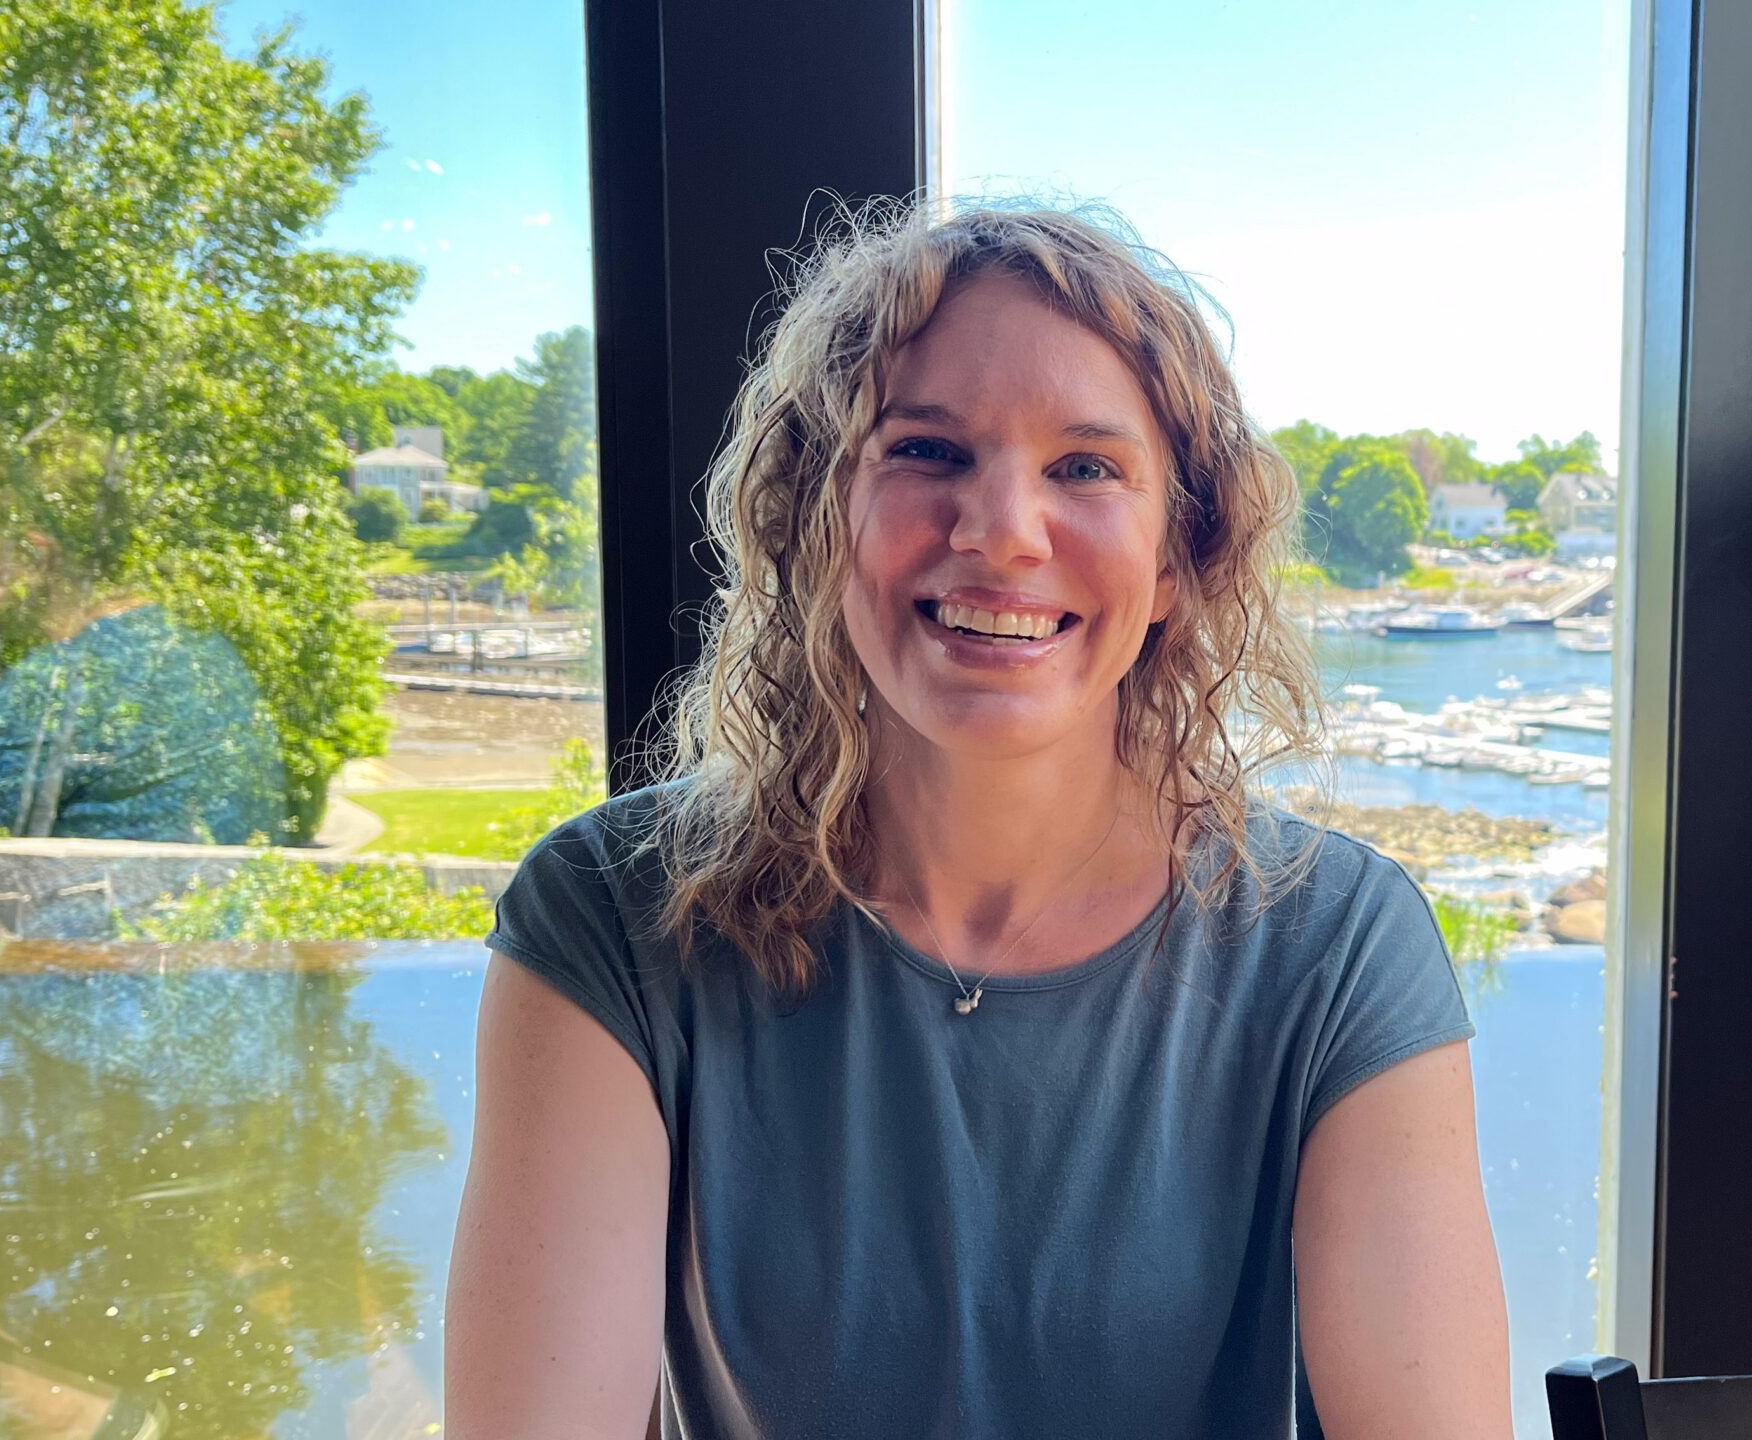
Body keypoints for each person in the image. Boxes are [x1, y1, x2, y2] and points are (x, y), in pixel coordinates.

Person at [442, 203, 1511, 1439]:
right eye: (927, 451)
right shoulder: (617, 914)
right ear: (817, 518)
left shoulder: (1337, 947)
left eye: (1086, 467)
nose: (1001, 530)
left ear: (1176, 557)